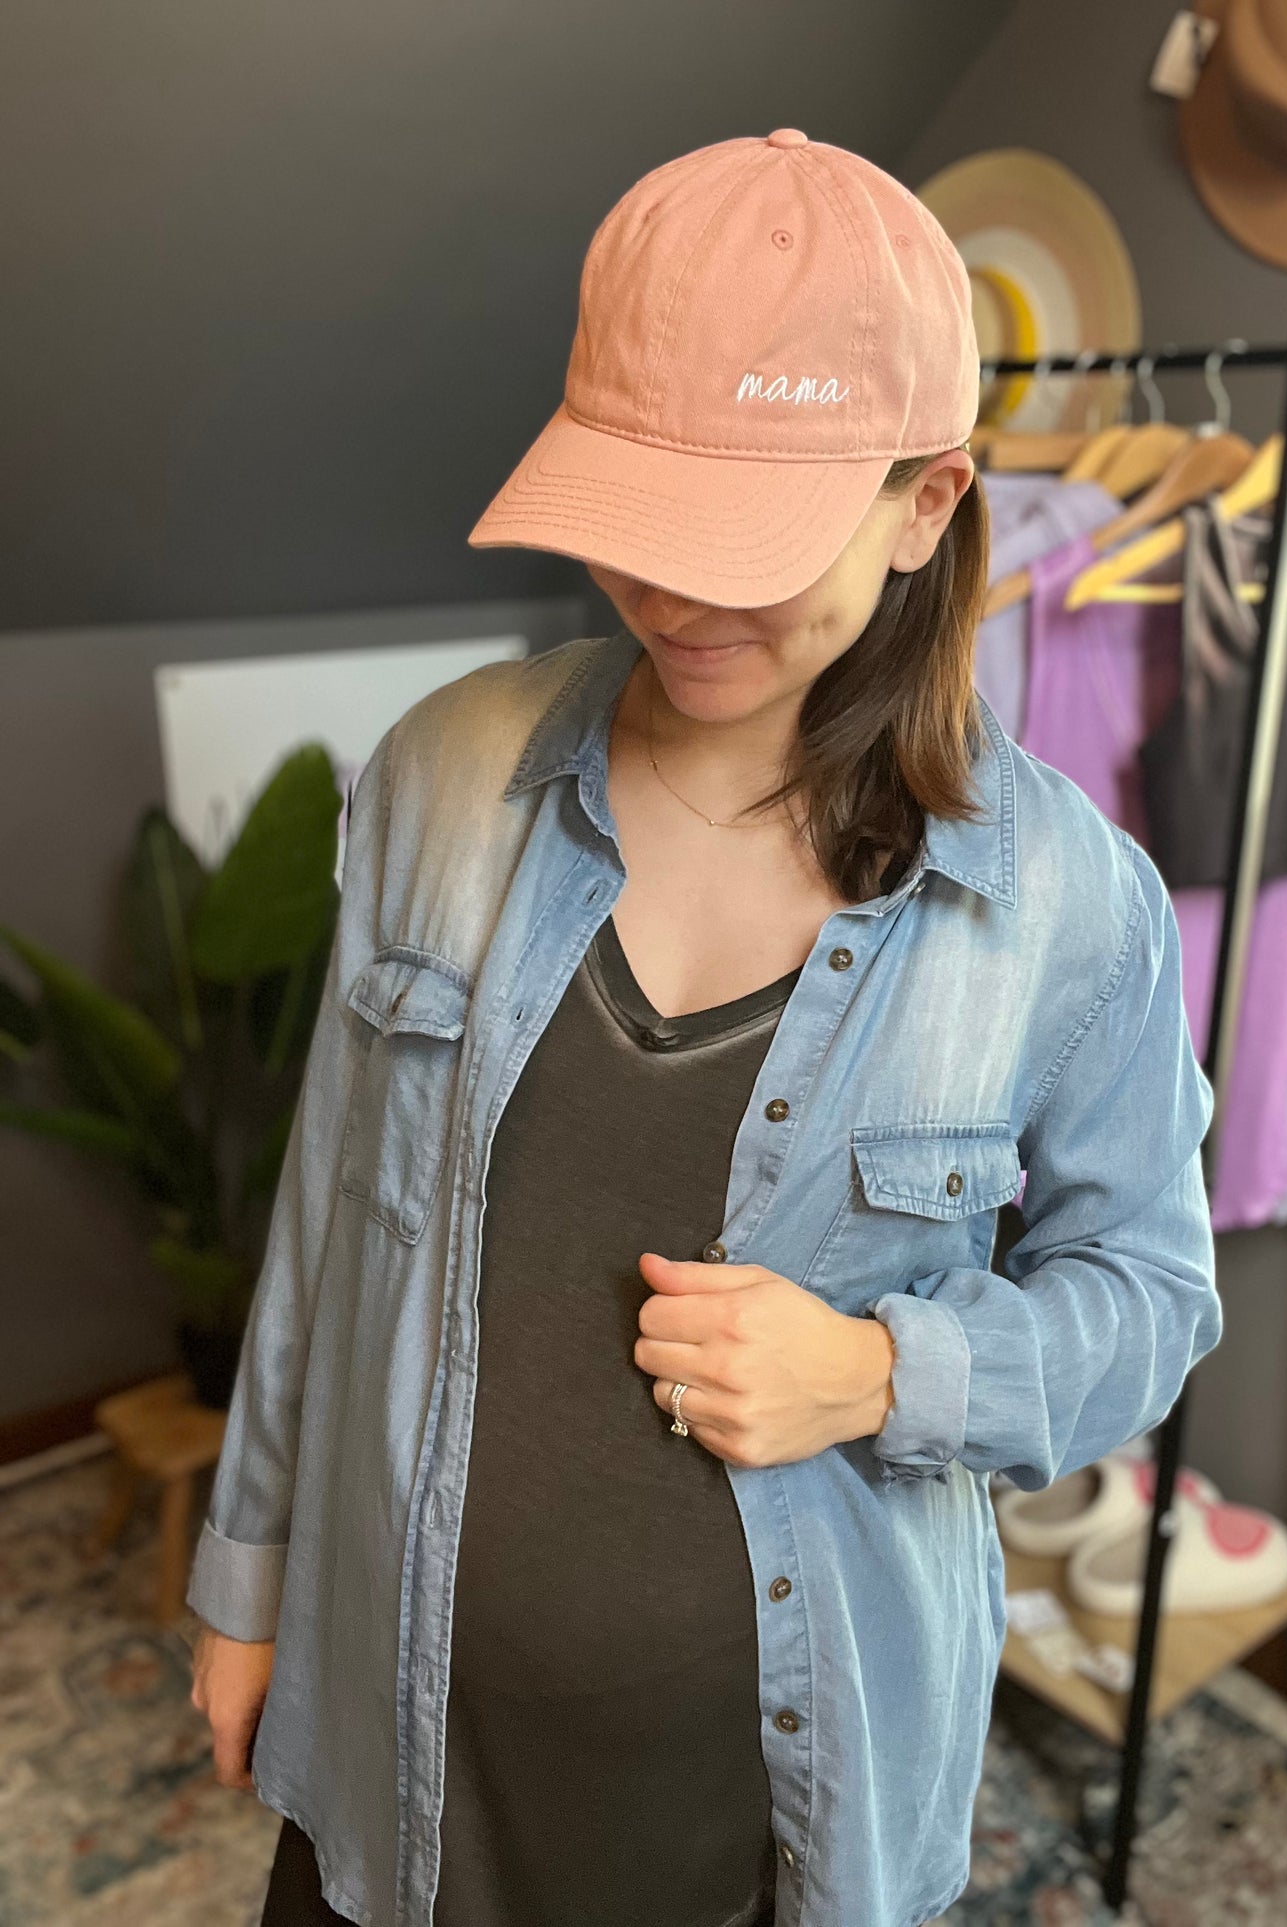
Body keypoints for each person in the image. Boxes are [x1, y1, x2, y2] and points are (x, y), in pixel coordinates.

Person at [188, 129, 1222, 1927]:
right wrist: (246, 1578)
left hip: (770, 1819)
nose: (670, 593)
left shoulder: (1066, 908)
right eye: (635, 521)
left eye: (741, 537)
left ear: (925, 503)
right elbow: (328, 1228)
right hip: (396, 1762)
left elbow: (1147, 1305)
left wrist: (884, 1372)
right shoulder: (442, 778)